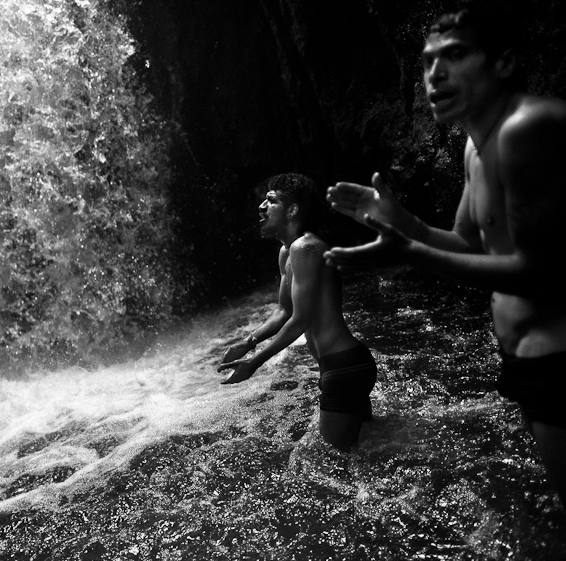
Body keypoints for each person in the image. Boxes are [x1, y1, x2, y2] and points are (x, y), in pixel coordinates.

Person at [324, 3, 566, 505]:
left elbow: (540, 271)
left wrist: (408, 250)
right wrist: (402, 221)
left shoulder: (528, 128)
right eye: (429, 60)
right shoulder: (476, 148)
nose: (435, 73)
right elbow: (468, 242)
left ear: (504, 62)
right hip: (525, 355)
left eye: (454, 55)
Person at [218, 173, 377, 450]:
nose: (261, 207)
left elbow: (300, 319)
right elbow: (283, 311)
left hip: (343, 367)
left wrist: (254, 363)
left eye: (271, 201)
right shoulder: (287, 252)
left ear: (292, 210)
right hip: (339, 367)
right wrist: (248, 342)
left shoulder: (306, 248)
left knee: (331, 460)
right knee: (364, 450)